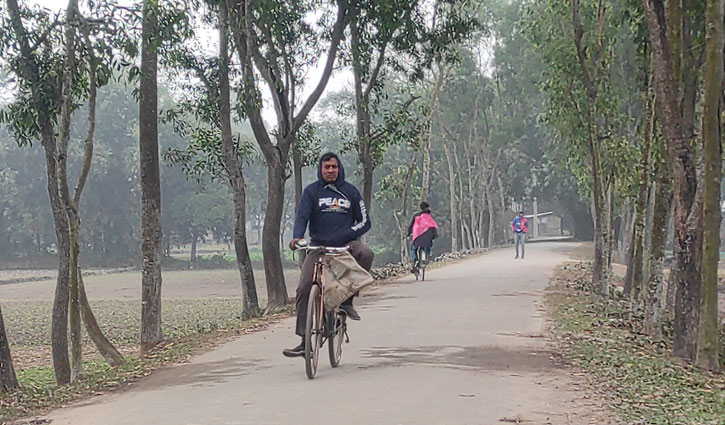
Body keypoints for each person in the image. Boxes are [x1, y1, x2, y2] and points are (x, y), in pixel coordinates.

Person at [283, 152, 373, 357]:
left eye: (334, 167)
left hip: (346, 247)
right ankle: (305, 341)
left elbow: (365, 221)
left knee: (366, 253)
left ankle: (347, 301)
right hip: (318, 247)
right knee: (305, 287)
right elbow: (302, 217)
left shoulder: (351, 192)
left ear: (339, 168)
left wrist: (348, 235)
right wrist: (297, 237)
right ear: (320, 170)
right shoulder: (311, 192)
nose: (331, 171)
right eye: (327, 167)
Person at [406, 201, 438, 273]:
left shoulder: (416, 215)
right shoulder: (429, 216)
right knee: (428, 244)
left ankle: (415, 261)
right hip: (427, 238)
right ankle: (429, 254)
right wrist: (433, 236)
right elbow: (433, 227)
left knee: (413, 249)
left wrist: (408, 234)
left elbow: (411, 226)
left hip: (417, 237)